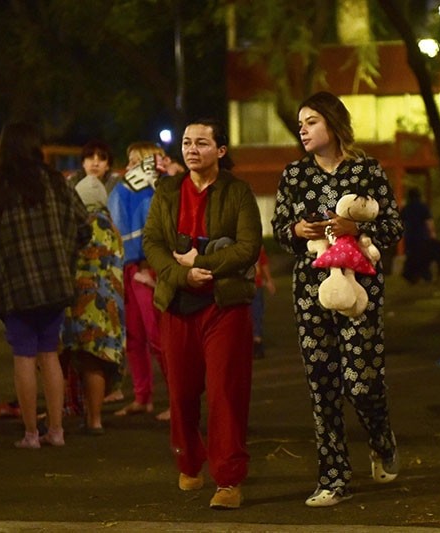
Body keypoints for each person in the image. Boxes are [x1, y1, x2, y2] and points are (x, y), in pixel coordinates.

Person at [271, 91, 404, 507]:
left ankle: (381, 438)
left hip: (361, 290)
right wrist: (296, 232)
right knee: (323, 385)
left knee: (362, 382)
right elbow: (278, 229)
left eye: (311, 121)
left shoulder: (367, 171)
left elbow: (394, 226)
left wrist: (353, 226)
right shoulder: (294, 175)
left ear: (332, 122)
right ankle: (333, 477)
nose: (303, 129)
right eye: (300, 123)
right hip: (311, 291)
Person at [142, 118, 262, 510]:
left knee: (226, 392)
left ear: (220, 151)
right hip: (177, 303)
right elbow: (152, 241)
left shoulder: (238, 191)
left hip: (224, 305)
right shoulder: (167, 190)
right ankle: (190, 461)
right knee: (180, 392)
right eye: (188, 143)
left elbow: (248, 246)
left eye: (203, 143)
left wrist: (204, 262)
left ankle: (228, 479)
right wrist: (182, 273)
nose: (192, 149)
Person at [0, 121, 90, 449]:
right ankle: (57, 431)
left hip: (17, 288)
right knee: (50, 353)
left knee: (24, 356)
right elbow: (84, 227)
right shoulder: (57, 183)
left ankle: (30, 434)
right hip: (55, 285)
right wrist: (62, 255)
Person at [60, 174, 125, 434]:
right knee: (97, 361)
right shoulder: (112, 226)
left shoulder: (76, 223)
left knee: (77, 359)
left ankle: (73, 416)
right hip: (108, 306)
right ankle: (94, 419)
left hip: (79, 302)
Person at [108, 141, 168, 420]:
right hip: (130, 268)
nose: (129, 166)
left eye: (135, 161)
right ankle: (142, 397)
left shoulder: (159, 190)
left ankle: (177, 402)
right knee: (133, 337)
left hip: (150, 269)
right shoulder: (128, 192)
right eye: (129, 160)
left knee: (158, 338)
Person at [400, 187, 439, 283]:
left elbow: (400, 222)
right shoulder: (423, 207)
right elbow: (428, 221)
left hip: (410, 236)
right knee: (423, 257)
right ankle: (425, 275)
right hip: (422, 235)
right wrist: (432, 233)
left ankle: (411, 276)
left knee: (411, 256)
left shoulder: (406, 208)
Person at [251, 245, 275, 358]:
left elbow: (263, 261)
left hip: (256, 284)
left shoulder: (257, 244)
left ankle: (257, 341)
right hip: (246, 284)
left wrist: (269, 280)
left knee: (257, 313)